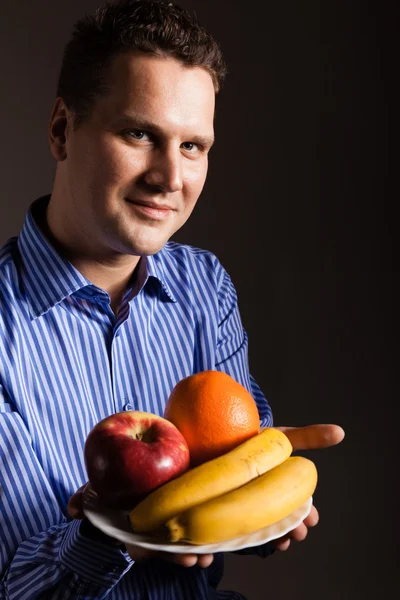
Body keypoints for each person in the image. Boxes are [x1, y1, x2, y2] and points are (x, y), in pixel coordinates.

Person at [0, 1, 344, 598]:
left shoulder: (204, 288)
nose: (170, 177)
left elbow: (230, 468)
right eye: (139, 134)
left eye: (193, 147)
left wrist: (255, 510)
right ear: (62, 129)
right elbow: (13, 581)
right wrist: (109, 536)